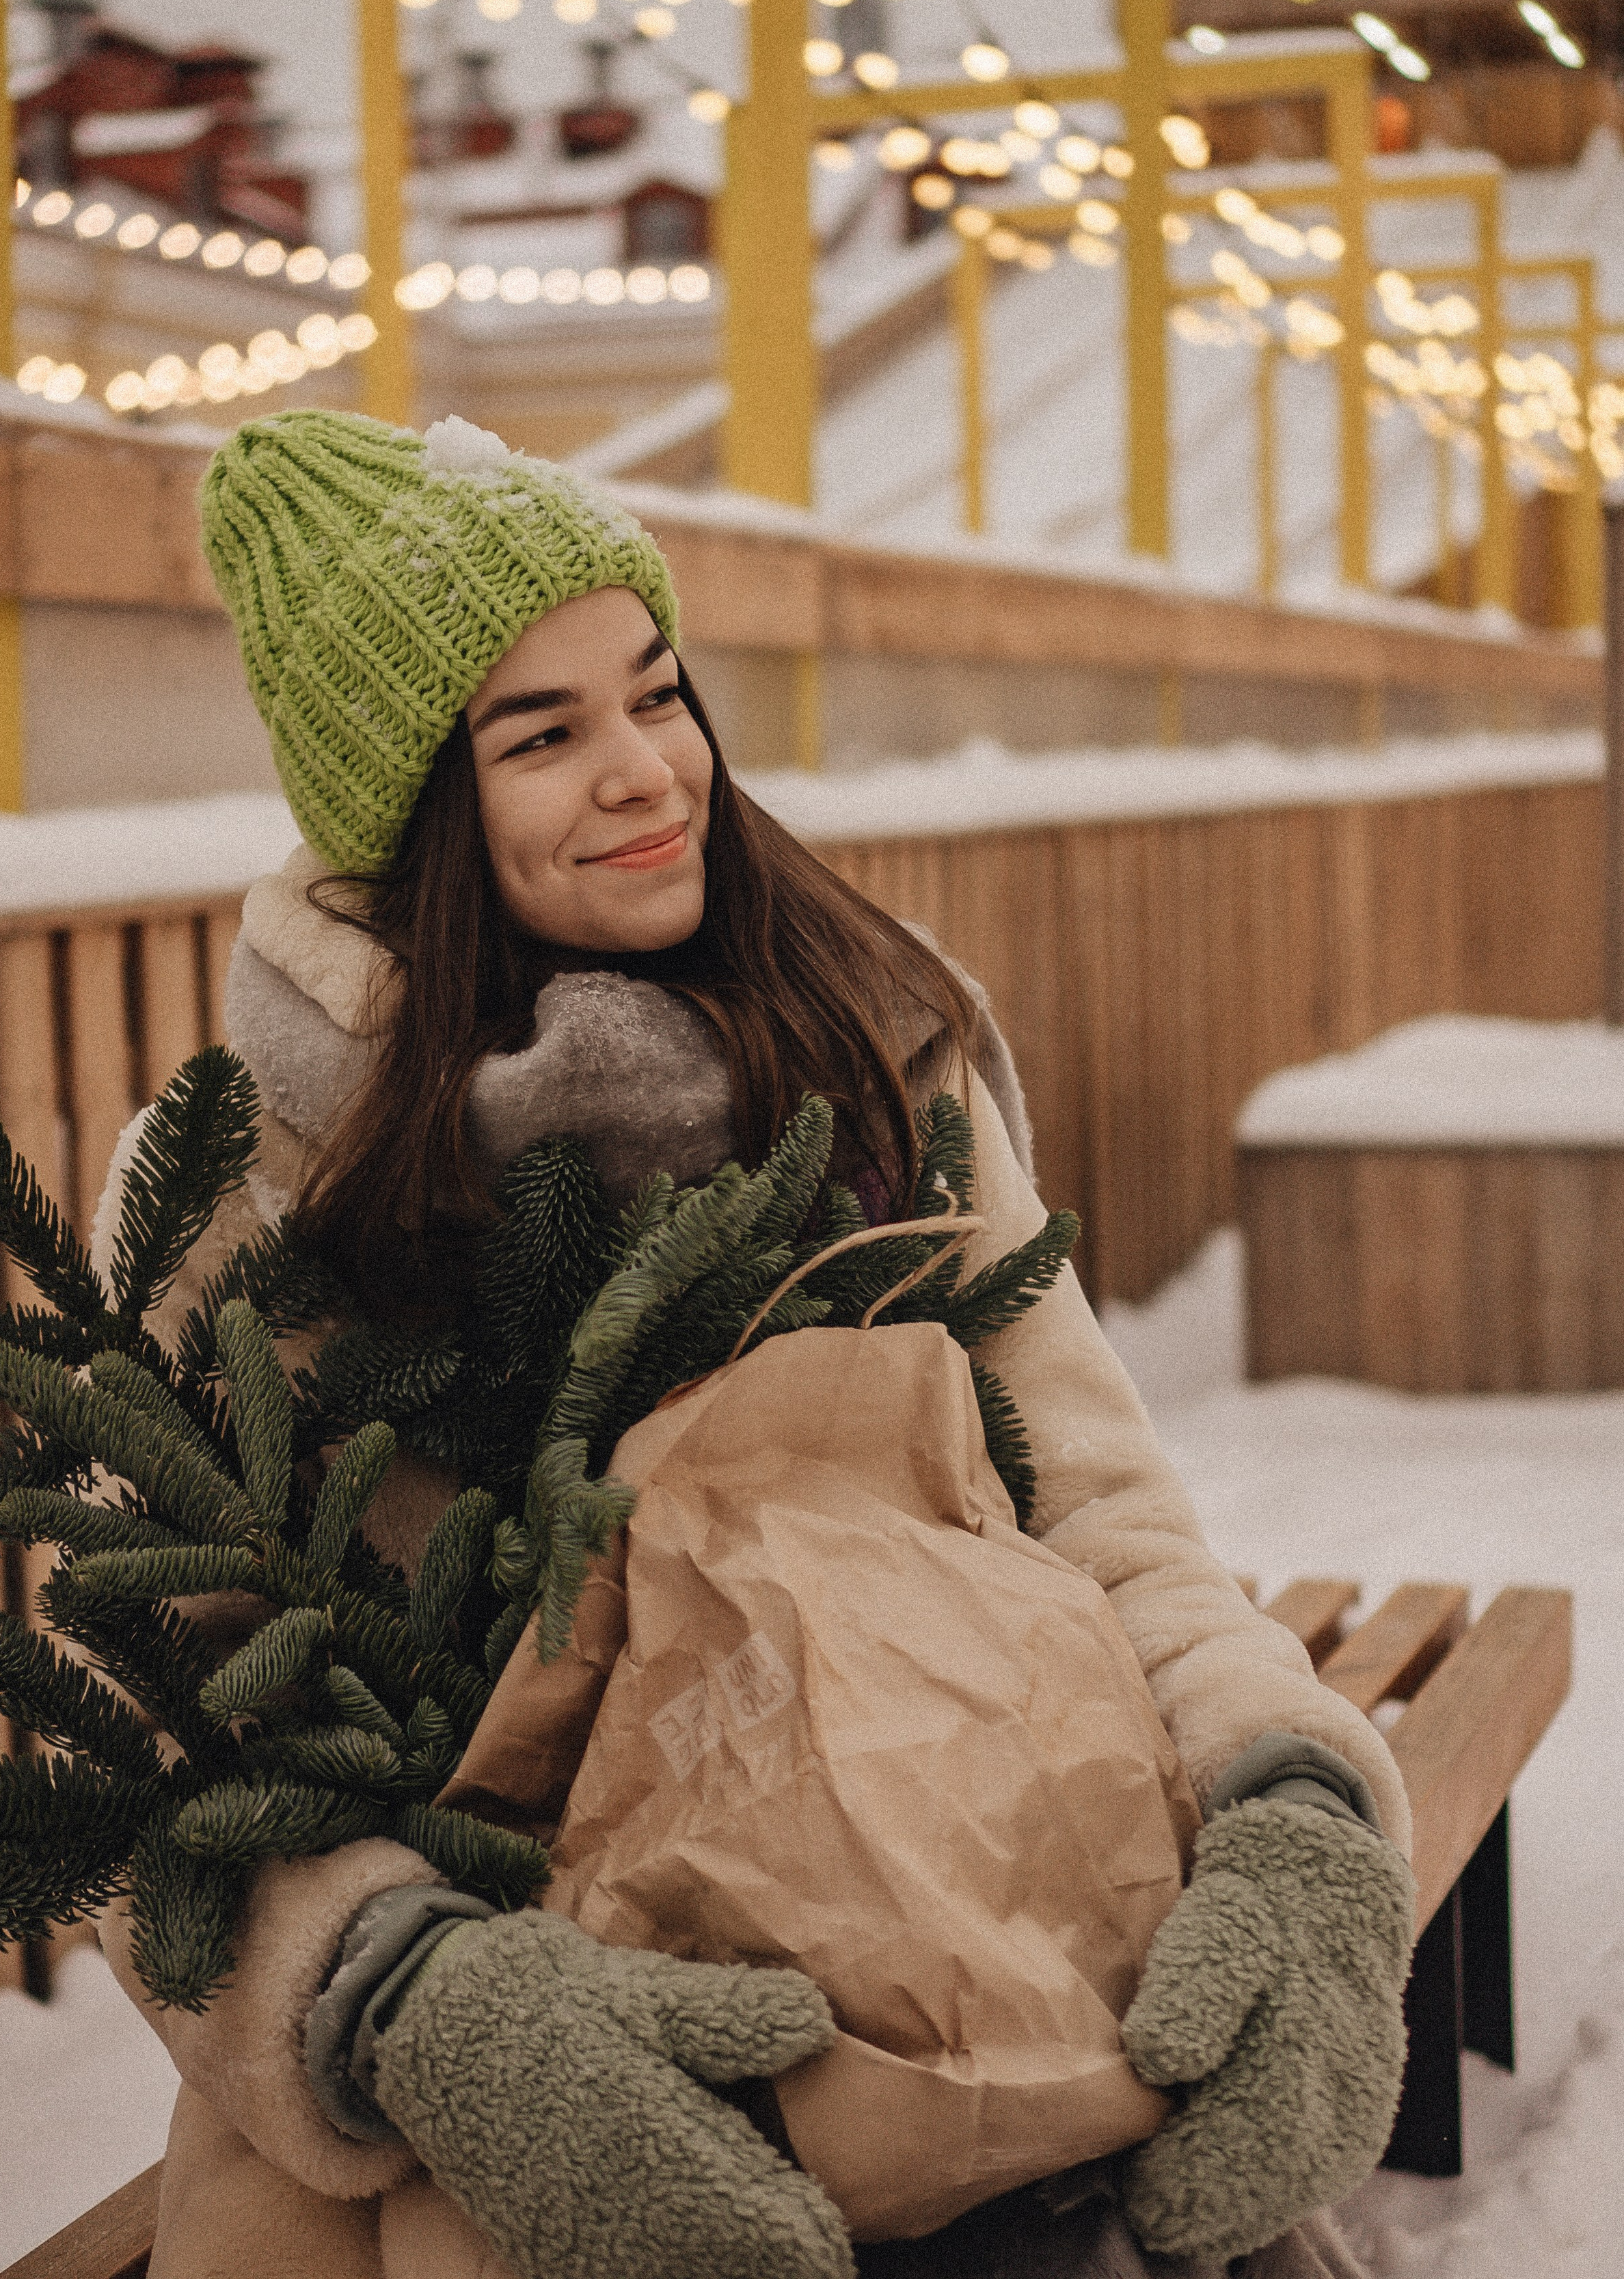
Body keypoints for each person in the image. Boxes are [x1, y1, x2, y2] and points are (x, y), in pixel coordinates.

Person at [94, 409, 1413, 2279]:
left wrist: (1295, 1804)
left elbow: (1100, 1511)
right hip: (506, 2071)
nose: (647, 775)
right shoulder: (244, 1189)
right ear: (416, 820)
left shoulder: (871, 1048)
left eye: (657, 693)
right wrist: (413, 2002)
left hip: (974, 1919)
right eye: (541, 737)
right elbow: (156, 1738)